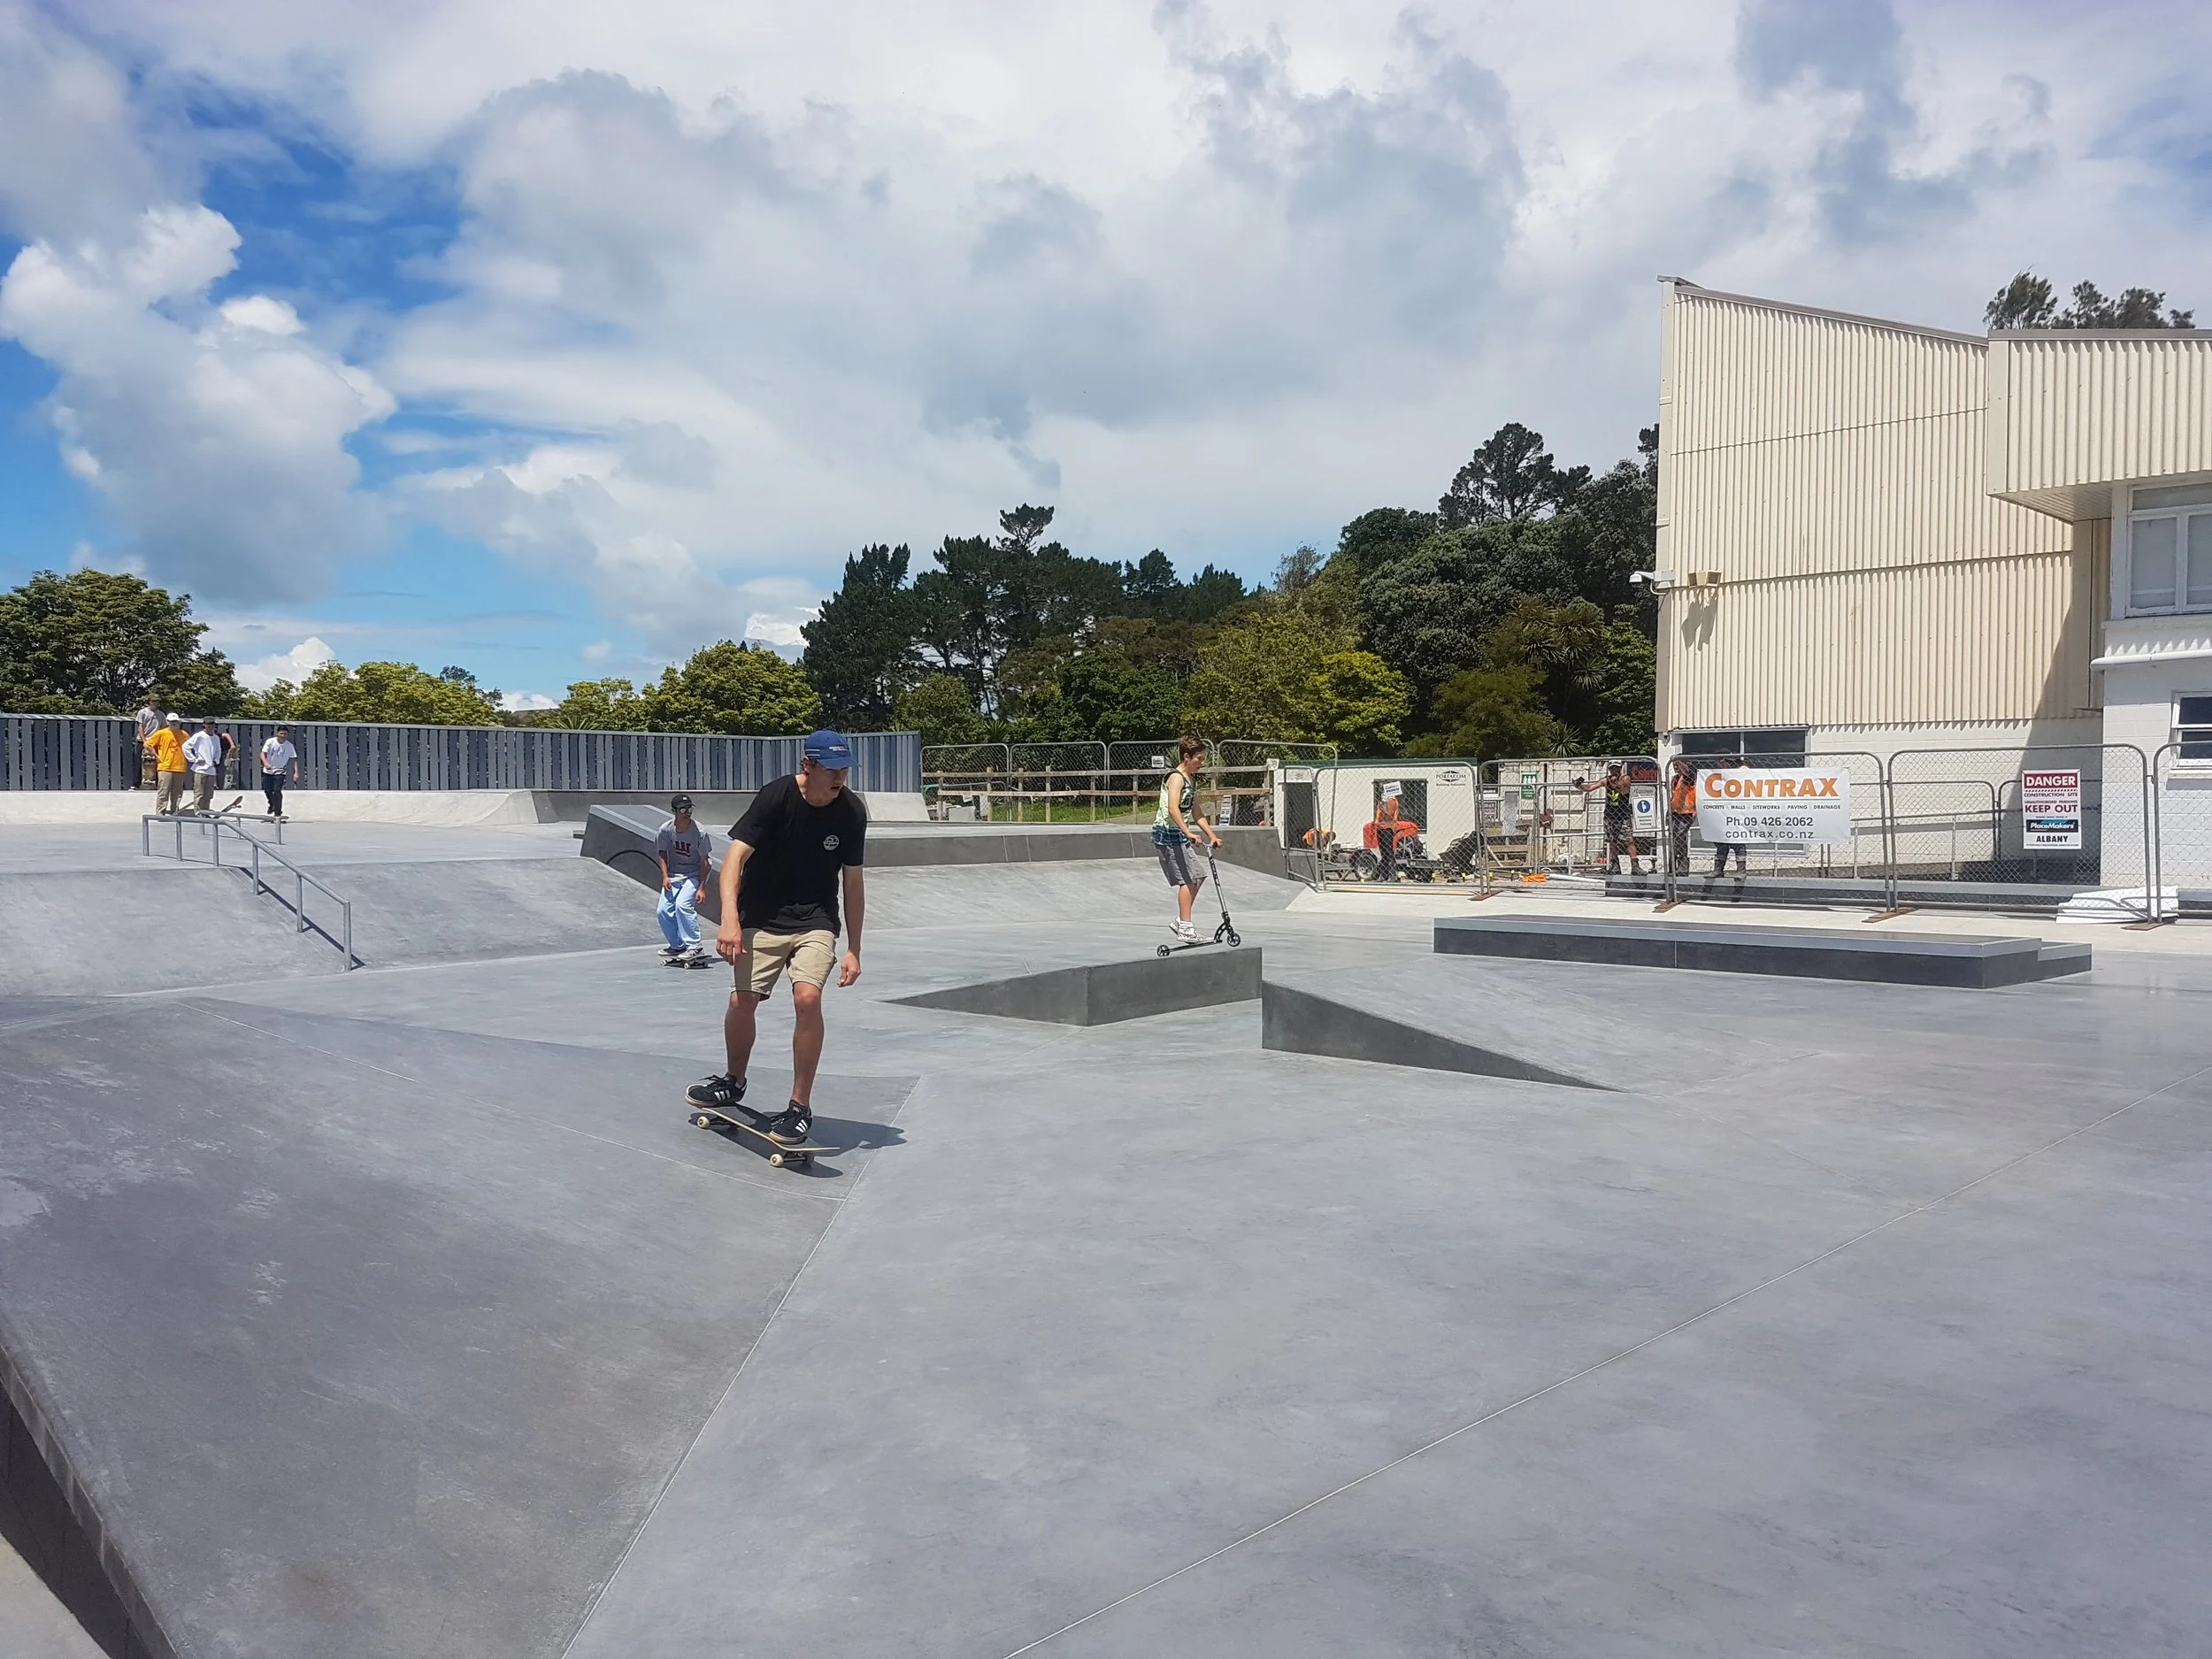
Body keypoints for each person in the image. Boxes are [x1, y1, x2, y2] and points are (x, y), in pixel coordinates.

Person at [686, 730, 867, 1146]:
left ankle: (799, 1107)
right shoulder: (775, 797)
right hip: (762, 916)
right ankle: (733, 1081)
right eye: (832, 770)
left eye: (844, 770)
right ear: (809, 765)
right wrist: (728, 920)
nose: (840, 778)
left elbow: (853, 884)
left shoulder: (851, 812)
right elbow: (732, 860)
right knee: (742, 1000)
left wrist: (854, 949)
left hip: (816, 918)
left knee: (807, 997)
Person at [1151, 737, 1221, 942]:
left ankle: (1181, 922)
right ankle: (1186, 927)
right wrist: (1188, 832)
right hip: (1168, 834)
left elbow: (1196, 811)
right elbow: (1173, 808)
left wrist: (1212, 835)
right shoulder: (1176, 778)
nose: (1201, 763)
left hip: (1179, 834)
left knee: (1198, 876)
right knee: (1188, 879)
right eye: (1199, 759)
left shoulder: (1191, 779)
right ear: (1186, 757)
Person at [655, 794, 713, 964]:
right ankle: (677, 945)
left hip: (694, 875)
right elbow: (662, 853)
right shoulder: (666, 830)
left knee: (683, 906)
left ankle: (695, 945)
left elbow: (705, 862)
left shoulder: (700, 832)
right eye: (682, 810)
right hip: (673, 876)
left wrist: (702, 887)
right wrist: (665, 876)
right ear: (674, 811)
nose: (687, 813)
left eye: (689, 809)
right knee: (663, 911)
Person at [1582, 764, 1643, 877]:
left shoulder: (1625, 778)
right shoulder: (1606, 780)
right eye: (1612, 768)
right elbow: (1591, 787)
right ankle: (1615, 865)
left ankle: (1635, 865)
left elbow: (1624, 789)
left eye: (1617, 768)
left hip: (1623, 815)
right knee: (1612, 841)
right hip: (1610, 815)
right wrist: (1580, 786)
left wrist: (1616, 783)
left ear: (1620, 768)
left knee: (1628, 840)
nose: (1615, 770)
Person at [147, 713, 189, 815]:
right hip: (165, 766)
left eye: (175, 722)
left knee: (177, 792)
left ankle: (175, 811)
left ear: (179, 722)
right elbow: (147, 744)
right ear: (168, 722)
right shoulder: (161, 733)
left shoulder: (184, 734)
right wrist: (156, 756)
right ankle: (161, 812)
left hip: (180, 766)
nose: (173, 723)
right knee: (163, 791)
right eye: (171, 722)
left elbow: (192, 747)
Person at [183, 718, 223, 812]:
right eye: (208, 724)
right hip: (200, 770)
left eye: (212, 725)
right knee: (199, 793)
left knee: (209, 794)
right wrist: (194, 760)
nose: (210, 727)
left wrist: (216, 760)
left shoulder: (216, 738)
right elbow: (185, 746)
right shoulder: (199, 736)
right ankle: (197, 812)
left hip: (211, 770)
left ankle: (206, 811)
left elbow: (218, 750)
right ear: (204, 725)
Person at [259, 726, 299, 818]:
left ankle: (278, 812)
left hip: (280, 771)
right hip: (268, 770)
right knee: (267, 789)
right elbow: (262, 753)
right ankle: (272, 804)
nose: (283, 736)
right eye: (281, 734)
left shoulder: (289, 746)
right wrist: (265, 763)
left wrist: (296, 772)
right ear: (277, 734)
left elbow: (294, 759)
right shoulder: (270, 742)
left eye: (285, 734)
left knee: (277, 790)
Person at [1668, 758, 1698, 873]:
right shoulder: (1675, 779)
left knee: (1678, 839)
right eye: (1674, 765)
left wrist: (1678, 760)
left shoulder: (1688, 777)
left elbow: (1687, 772)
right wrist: (1669, 812)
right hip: (1675, 812)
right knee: (1677, 839)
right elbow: (1674, 797)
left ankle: (1682, 866)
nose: (1675, 766)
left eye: (1678, 765)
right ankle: (1675, 867)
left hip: (1687, 812)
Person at [133, 697, 162, 789]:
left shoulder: (161, 714)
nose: (155, 703)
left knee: (157, 762)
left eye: (156, 701)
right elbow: (140, 727)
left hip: (155, 741)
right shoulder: (142, 712)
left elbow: (163, 727)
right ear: (149, 702)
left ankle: (157, 783)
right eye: (153, 701)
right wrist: (144, 741)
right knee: (138, 762)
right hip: (143, 740)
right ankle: (135, 784)